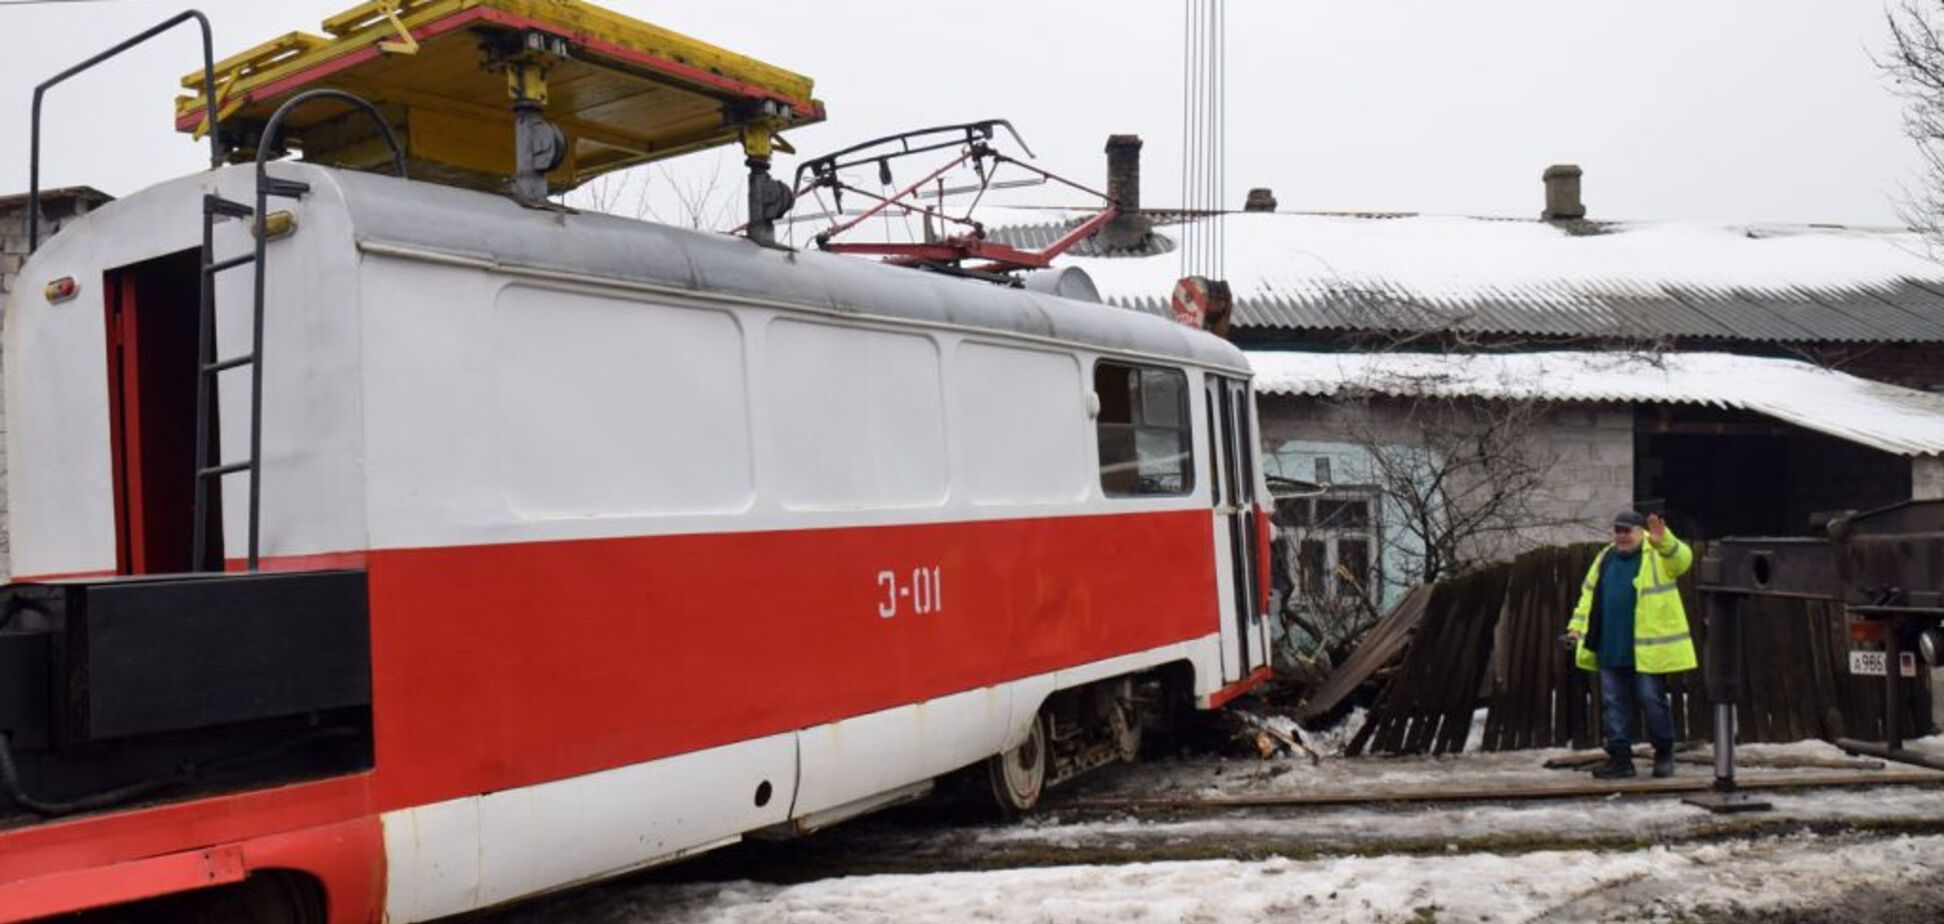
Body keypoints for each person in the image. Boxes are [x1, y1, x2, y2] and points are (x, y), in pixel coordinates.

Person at [1565, 510, 1696, 779]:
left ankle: (1664, 752)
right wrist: (1575, 629)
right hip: (1610, 645)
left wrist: (1666, 541)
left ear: (1641, 532)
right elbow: (1588, 596)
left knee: (1651, 699)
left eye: (1628, 531)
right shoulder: (1605, 558)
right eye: (1618, 531)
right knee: (1614, 704)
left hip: (1646, 648)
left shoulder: (1657, 554)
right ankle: (1621, 760)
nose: (1622, 536)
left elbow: (1682, 561)